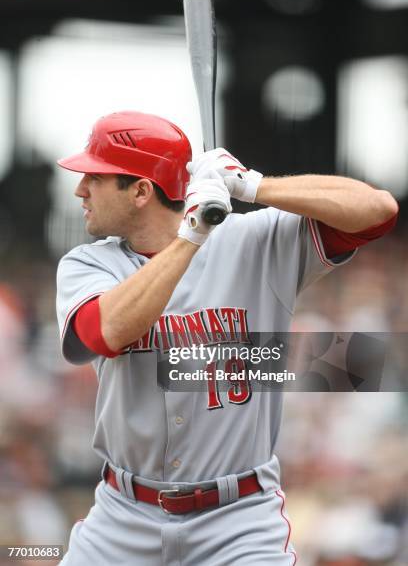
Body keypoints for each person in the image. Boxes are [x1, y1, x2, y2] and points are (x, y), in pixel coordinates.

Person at [56, 110, 398, 565]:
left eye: (95, 178)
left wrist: (252, 185)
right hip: (124, 516)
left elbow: (377, 212)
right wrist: (191, 235)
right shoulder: (88, 265)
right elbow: (103, 332)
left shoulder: (253, 240)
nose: (81, 189)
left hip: (238, 520)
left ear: (140, 190)